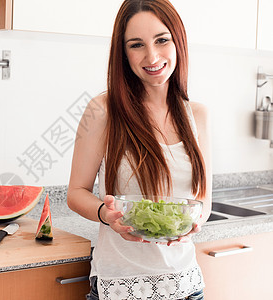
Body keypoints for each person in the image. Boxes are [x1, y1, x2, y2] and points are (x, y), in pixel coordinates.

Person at [67, 0, 212, 299]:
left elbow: (203, 201)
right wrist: (106, 216)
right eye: (136, 45)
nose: (152, 55)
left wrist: (191, 225)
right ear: (123, 53)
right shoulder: (103, 109)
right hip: (122, 286)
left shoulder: (197, 114)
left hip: (186, 286)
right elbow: (76, 192)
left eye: (162, 40)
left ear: (178, 41)